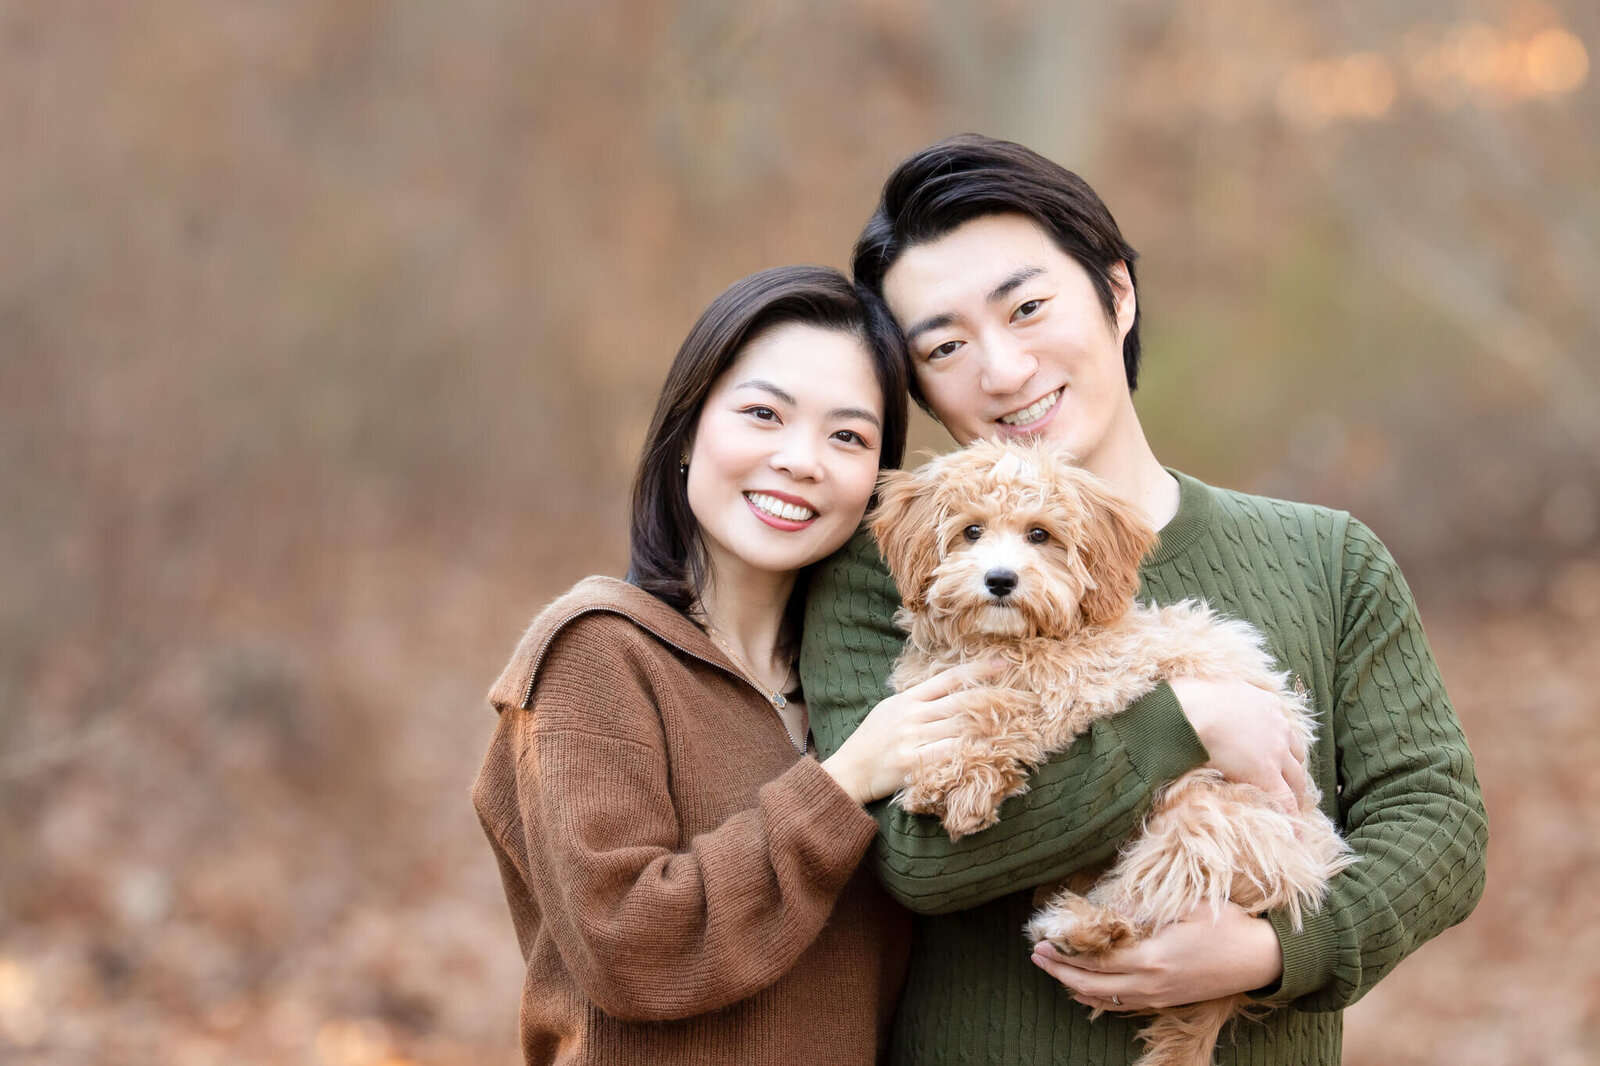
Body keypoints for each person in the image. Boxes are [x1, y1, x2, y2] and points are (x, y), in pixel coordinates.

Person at [799, 135, 1488, 1065]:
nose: (1001, 370)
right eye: (948, 345)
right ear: (914, 380)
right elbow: (916, 860)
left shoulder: (1329, 558)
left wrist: (1272, 950)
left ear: (1117, 295)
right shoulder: (877, 579)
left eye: (1029, 308)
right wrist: (1182, 722)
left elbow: (1438, 820)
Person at [473, 264, 1002, 1065]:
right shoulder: (595, 652)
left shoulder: (872, 680)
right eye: (763, 414)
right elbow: (630, 950)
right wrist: (843, 781)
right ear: (688, 431)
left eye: (848, 436)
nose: (801, 460)